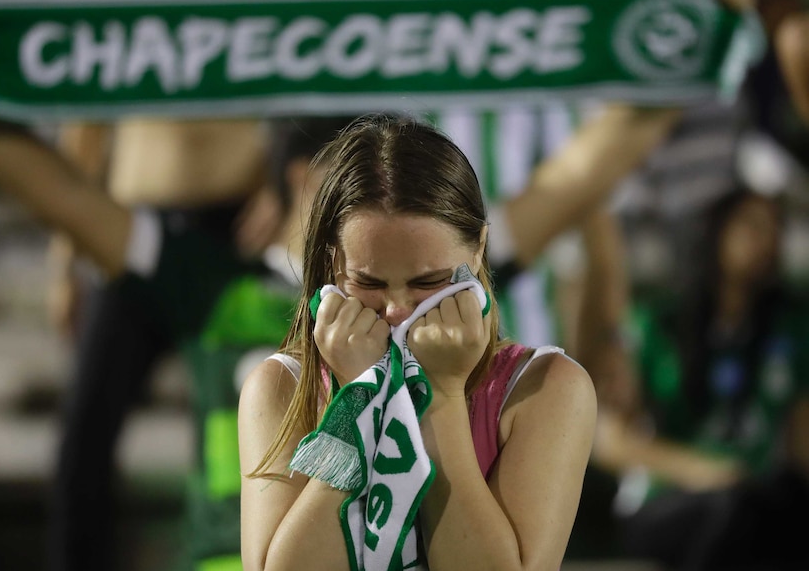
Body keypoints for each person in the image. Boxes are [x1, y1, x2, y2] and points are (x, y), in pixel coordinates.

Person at [0, 106, 359, 571]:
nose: (374, 202)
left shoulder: (395, 306)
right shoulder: (211, 280)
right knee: (82, 443)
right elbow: (65, 201)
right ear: (303, 175)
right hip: (225, 557)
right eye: (356, 179)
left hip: (351, 556)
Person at [238, 114, 597, 571]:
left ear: (478, 250)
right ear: (332, 264)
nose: (397, 310)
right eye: (368, 281)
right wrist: (354, 406)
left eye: (428, 280)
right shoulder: (278, 387)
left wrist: (444, 397)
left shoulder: (546, 388)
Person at [589, 187, 809, 571]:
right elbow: (611, 444)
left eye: (776, 227)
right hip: (667, 500)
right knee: (727, 511)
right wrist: (707, 472)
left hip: (756, 500)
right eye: (752, 225)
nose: (767, 240)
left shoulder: (791, 329)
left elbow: (800, 444)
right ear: (715, 232)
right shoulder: (656, 323)